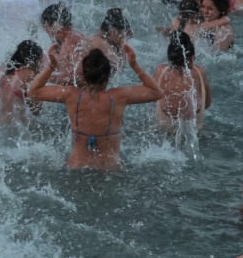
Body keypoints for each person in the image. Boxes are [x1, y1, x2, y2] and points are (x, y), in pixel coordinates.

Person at [26, 45, 161, 170]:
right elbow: (157, 92)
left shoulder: (70, 95)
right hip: (109, 167)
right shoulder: (118, 97)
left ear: (84, 77)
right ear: (108, 77)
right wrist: (134, 65)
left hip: (77, 166)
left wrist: (51, 65)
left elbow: (32, 92)